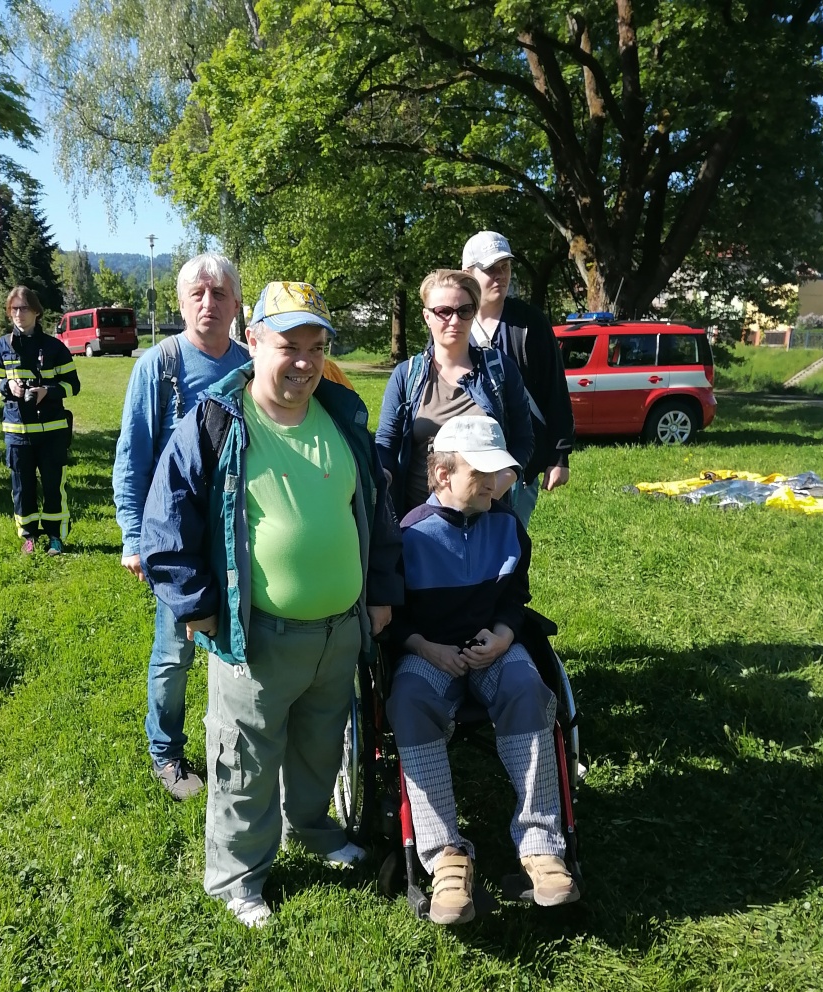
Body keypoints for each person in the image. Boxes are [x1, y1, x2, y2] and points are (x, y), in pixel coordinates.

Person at [141, 280, 403, 927]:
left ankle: (311, 829)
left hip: (338, 633)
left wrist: (380, 594)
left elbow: (376, 512)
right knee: (245, 760)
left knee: (320, 746)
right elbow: (166, 526)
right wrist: (197, 607)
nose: (305, 362)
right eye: (290, 345)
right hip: (257, 636)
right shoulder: (215, 421)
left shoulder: (342, 418)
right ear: (253, 340)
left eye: (316, 347)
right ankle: (238, 876)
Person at [386, 414, 580, 926]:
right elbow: (393, 615)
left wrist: (504, 636)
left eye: (499, 472)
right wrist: (426, 648)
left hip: (492, 648)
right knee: (408, 702)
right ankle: (446, 856)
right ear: (442, 474)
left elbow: (515, 598)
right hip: (429, 652)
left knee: (529, 688)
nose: (495, 483)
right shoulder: (408, 535)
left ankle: (542, 847)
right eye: (481, 473)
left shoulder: (508, 526)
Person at [113, 253, 250, 801]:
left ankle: (238, 743)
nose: (208, 303)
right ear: (181, 303)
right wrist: (133, 538)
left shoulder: (252, 364)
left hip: (241, 538)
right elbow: (132, 458)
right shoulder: (160, 365)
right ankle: (166, 751)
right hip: (177, 542)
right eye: (197, 294)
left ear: (236, 304)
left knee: (241, 649)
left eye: (219, 294)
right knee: (174, 654)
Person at [375, 268, 533, 517]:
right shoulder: (406, 376)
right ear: (427, 316)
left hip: (487, 518)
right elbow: (386, 443)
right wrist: (380, 479)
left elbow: (524, 440)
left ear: (474, 312)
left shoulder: (499, 371)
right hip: (420, 522)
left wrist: (497, 487)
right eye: (443, 311)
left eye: (464, 310)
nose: (455, 320)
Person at [462, 231, 575, 526]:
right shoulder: (453, 320)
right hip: (466, 461)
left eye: (505, 267)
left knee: (508, 542)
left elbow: (554, 390)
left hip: (519, 464)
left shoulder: (530, 323)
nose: (500, 275)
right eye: (491, 268)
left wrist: (559, 457)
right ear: (468, 273)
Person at [0, 286, 80, 554]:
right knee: (22, 487)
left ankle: (55, 536)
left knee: (53, 486)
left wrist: (47, 391)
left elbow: (73, 385)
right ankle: (29, 535)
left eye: (24, 308)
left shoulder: (54, 347)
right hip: (17, 432)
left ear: (36, 312)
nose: (18, 313)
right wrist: (7, 386)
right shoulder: (2, 346)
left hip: (52, 431)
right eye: (14, 309)